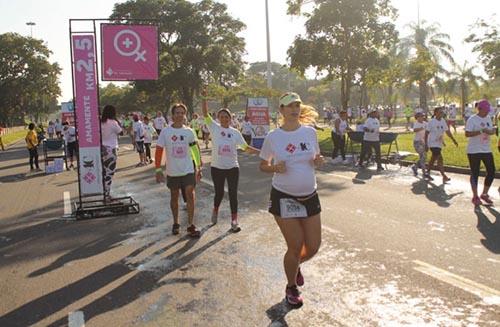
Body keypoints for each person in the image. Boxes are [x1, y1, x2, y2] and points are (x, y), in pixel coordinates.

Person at [259, 92, 323, 307]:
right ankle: (291, 287)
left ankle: (294, 266)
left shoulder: (310, 133)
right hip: (284, 197)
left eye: (297, 105)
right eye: (289, 106)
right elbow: (263, 165)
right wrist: (275, 167)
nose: (295, 109)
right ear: (282, 110)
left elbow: (314, 159)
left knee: (313, 247)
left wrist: (318, 160)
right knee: (295, 245)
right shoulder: (273, 137)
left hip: (310, 195)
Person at [201, 91, 260, 232]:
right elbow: (205, 114)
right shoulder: (214, 127)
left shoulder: (235, 132)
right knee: (219, 193)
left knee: (233, 193)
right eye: (221, 117)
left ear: (230, 118)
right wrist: (204, 98)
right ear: (218, 118)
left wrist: (260, 152)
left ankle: (234, 220)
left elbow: (245, 147)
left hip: (233, 167)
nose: (224, 119)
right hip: (217, 167)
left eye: (226, 116)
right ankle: (215, 210)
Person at [155, 103, 202, 238]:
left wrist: (198, 166)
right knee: (174, 196)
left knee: (190, 193)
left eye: (182, 113)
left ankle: (191, 225)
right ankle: (176, 223)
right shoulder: (166, 131)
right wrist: (158, 170)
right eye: (177, 113)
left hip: (188, 169)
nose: (180, 115)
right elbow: (159, 151)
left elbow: (194, 149)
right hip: (173, 171)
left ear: (185, 115)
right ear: (172, 115)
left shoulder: (189, 131)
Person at [465, 99, 496, 206]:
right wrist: (481, 131)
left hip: (486, 149)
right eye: (486, 110)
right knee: (475, 173)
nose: (488, 112)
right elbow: (467, 134)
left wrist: (491, 131)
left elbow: (491, 130)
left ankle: (484, 194)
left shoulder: (488, 118)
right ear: (480, 109)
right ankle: (475, 196)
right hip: (474, 150)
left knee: (492, 171)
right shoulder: (472, 119)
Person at [425, 106, 458, 183]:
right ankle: (444, 176)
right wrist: (426, 144)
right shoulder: (431, 122)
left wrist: (454, 140)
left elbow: (447, 131)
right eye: (440, 112)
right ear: (435, 113)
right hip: (432, 143)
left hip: (439, 143)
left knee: (434, 158)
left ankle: (427, 171)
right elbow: (426, 133)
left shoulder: (443, 121)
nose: (442, 114)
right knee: (439, 158)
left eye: (442, 112)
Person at [101, 105, 123, 202]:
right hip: (111, 150)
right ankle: (107, 195)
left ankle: (104, 193)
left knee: (103, 173)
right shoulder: (113, 123)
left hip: (102, 150)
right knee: (109, 173)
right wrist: (117, 121)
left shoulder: (100, 122)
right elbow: (121, 132)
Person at [411, 110, 428, 177]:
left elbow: (429, 129)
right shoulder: (416, 123)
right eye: (420, 116)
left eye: (422, 116)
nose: (422, 117)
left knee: (423, 157)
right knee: (423, 156)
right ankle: (424, 172)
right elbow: (414, 130)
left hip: (423, 142)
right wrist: (421, 128)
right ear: (417, 117)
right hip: (417, 142)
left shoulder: (425, 123)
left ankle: (415, 167)